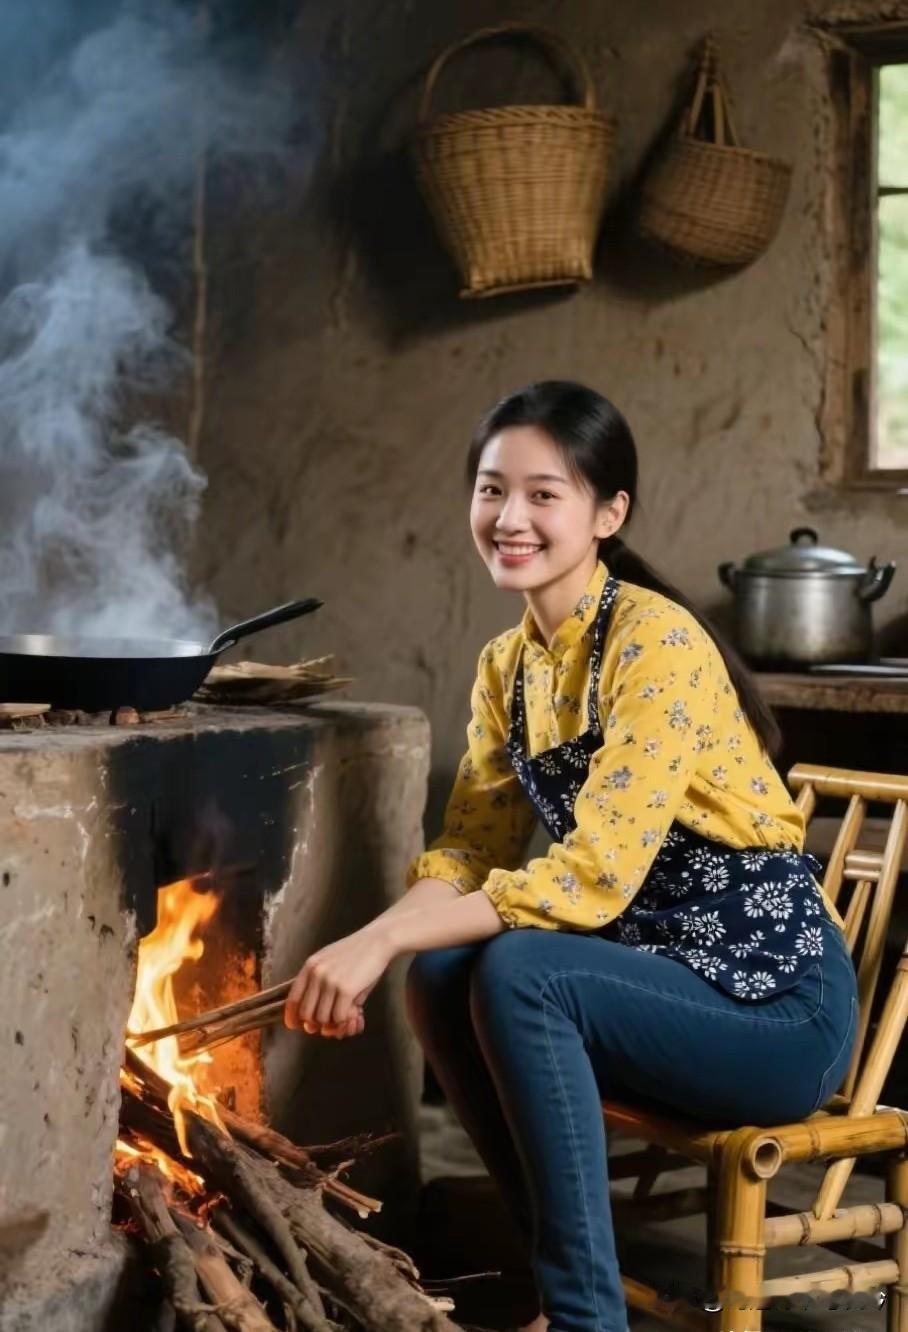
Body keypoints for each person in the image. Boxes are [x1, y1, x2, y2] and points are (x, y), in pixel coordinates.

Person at [284, 381, 859, 1332]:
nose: (509, 518)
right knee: (442, 973)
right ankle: (566, 1293)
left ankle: (587, 1320)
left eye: (543, 494)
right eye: (491, 489)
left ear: (608, 513)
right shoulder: (507, 669)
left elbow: (592, 876)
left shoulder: (654, 640)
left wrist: (375, 943)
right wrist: (381, 940)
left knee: (524, 970)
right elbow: (470, 850)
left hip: (774, 1009)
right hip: (655, 980)